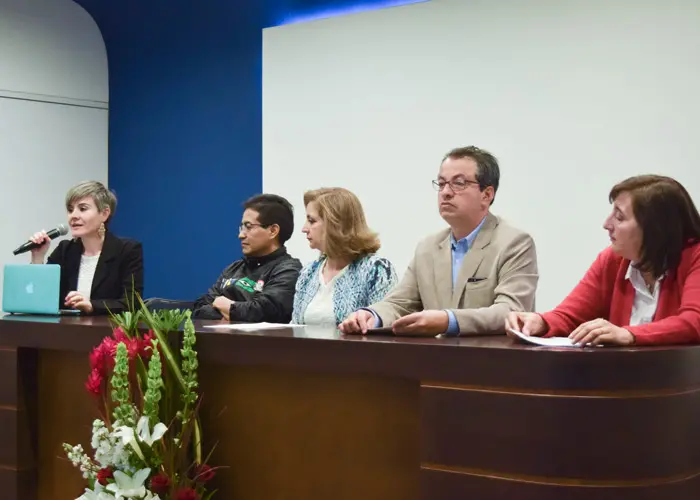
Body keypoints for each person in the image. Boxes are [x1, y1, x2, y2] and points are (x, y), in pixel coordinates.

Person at [339, 146, 538, 336]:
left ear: (487, 194)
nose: (446, 192)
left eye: (459, 183)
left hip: (491, 362)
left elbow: (511, 312)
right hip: (434, 363)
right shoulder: (428, 247)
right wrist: (371, 315)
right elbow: (399, 303)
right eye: (441, 183)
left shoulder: (514, 243)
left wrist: (447, 320)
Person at [506, 175, 700, 347]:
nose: (607, 225)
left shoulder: (695, 256)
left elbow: (695, 321)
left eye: (619, 217)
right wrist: (541, 322)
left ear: (654, 229)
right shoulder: (613, 260)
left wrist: (628, 334)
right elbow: (570, 315)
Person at [28, 180, 143, 315]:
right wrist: (38, 258)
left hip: (106, 332)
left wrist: (92, 305)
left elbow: (131, 303)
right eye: (70, 210)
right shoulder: (65, 250)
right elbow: (41, 297)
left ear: (104, 214)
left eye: (82, 209)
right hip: (63, 331)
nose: (73, 216)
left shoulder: (127, 250)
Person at [292, 188, 398, 326]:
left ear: (335, 224)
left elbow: (384, 328)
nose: (304, 229)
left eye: (311, 221)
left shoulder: (376, 270)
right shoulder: (308, 272)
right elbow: (295, 326)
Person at [193, 194, 302, 322]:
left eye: (249, 227)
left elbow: (262, 312)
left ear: (273, 231)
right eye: (241, 227)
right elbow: (199, 307)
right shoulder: (233, 268)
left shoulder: (289, 270)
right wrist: (231, 313)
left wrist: (227, 307)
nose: (241, 235)